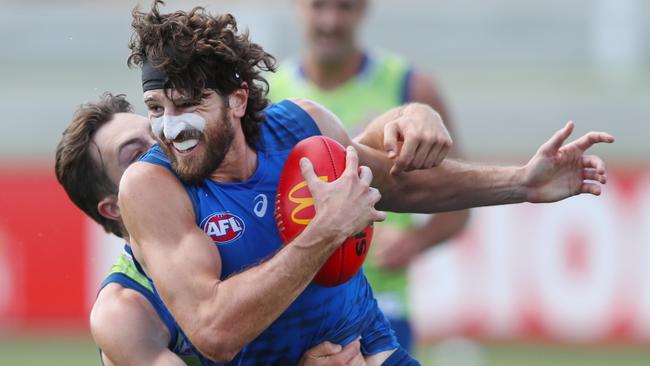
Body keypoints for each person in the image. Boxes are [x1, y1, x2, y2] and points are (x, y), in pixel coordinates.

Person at [118, 1, 613, 365]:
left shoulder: (299, 128)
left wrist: (522, 182)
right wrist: (324, 231)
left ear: (238, 100)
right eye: (158, 109)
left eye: (190, 105)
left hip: (370, 351)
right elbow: (214, 330)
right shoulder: (151, 186)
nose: (170, 128)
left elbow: (401, 185)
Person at [55, 93, 368, 366]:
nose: (166, 145)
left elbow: (366, 157)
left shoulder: (240, 207)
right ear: (113, 207)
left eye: (156, 131)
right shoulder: (124, 314)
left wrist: (409, 118)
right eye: (136, 156)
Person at [267, 0, 469, 350]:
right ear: (297, 7)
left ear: (363, 10)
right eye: (318, 7)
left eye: (344, 7)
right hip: (297, 304)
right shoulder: (270, 93)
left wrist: (416, 242)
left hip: (383, 306)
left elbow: (459, 196)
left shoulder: (408, 87)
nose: (330, 21)